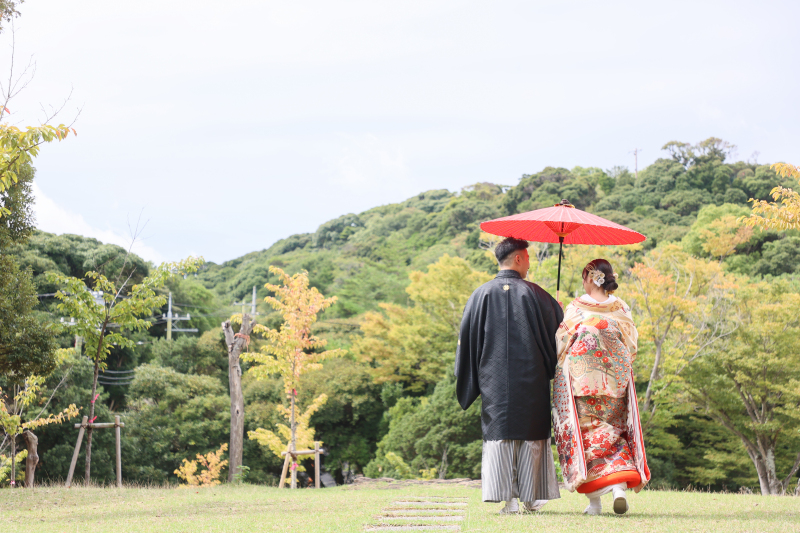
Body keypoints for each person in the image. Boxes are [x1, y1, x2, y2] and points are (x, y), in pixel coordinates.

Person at [455, 237, 563, 514]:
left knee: (500, 432)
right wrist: (556, 308)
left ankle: (508, 501)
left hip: (493, 377)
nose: (528, 262)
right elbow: (559, 335)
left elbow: (466, 342)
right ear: (518, 258)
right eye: (527, 257)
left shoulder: (480, 294)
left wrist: (473, 379)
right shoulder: (537, 294)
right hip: (532, 376)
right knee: (531, 434)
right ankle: (531, 497)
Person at [552, 259, 650, 515]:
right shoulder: (621, 308)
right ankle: (618, 487)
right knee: (614, 433)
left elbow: (561, 344)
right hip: (614, 384)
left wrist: (560, 321)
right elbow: (631, 346)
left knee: (588, 440)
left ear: (588, 276)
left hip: (582, 383)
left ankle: (595, 504)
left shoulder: (576, 307)